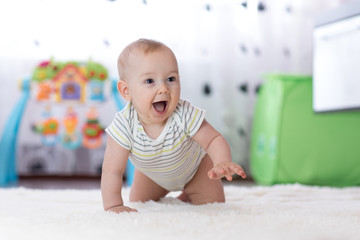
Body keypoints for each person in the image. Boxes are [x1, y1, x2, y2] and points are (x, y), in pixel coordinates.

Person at [101, 38, 246, 213]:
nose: (163, 88)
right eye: (149, 81)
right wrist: (114, 205)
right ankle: (184, 195)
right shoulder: (123, 125)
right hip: (151, 176)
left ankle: (190, 193)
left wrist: (222, 161)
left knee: (213, 206)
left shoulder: (184, 113)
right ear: (126, 91)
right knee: (139, 201)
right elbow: (112, 170)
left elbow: (213, 139)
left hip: (196, 171)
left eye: (170, 79)